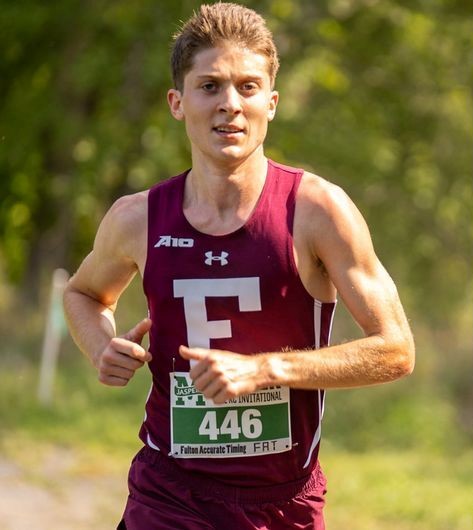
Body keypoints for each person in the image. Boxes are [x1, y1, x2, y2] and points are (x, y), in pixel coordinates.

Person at [63, 3, 415, 529]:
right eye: (210, 86)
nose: (230, 104)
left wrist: (264, 369)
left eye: (247, 87)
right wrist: (99, 347)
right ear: (177, 102)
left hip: (282, 502)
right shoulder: (137, 218)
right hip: (168, 493)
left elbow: (396, 349)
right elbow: (84, 294)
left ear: (271, 104)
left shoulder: (317, 211)